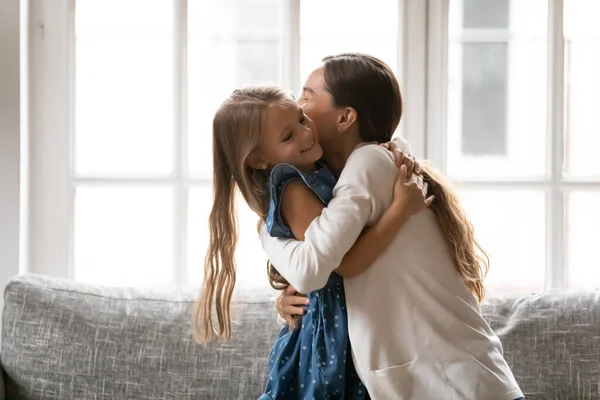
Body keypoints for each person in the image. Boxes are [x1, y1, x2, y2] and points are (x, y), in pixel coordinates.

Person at [260, 53, 524, 400]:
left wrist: (265, 233)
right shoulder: (359, 171)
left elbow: (325, 264)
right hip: (448, 376)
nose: (298, 105)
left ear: (345, 117)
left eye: (308, 95)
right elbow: (333, 262)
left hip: (451, 381)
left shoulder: (368, 164)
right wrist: (292, 298)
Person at [192, 80, 431, 399]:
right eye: (288, 136)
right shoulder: (292, 188)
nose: (306, 133)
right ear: (258, 160)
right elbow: (347, 264)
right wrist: (401, 210)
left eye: (301, 119)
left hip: (343, 318)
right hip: (329, 333)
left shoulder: (318, 169)